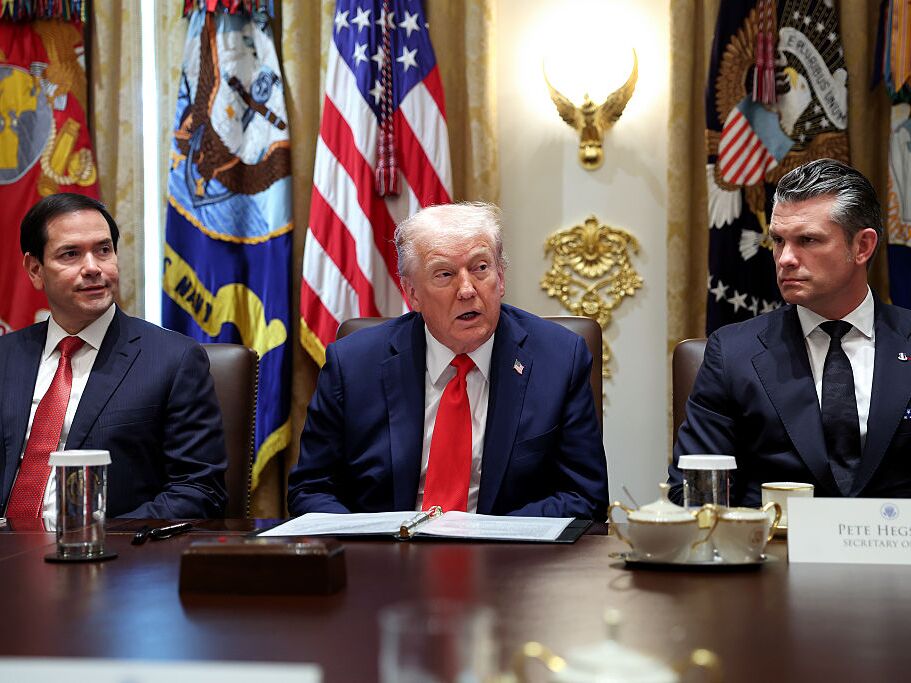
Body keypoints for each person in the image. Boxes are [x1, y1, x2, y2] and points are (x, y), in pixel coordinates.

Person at [288, 202, 608, 518]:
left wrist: (492, 539)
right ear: (413, 293)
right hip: (386, 560)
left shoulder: (559, 359)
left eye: (481, 268)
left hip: (509, 562)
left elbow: (585, 495)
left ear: (501, 276)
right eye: (445, 274)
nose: (467, 289)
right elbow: (311, 489)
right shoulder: (354, 364)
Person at [669, 159, 911, 505]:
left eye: (808, 240)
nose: (785, 259)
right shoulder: (733, 353)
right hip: (774, 550)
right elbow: (693, 492)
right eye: (779, 241)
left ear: (862, 247)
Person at [0, 193, 227, 519]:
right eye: (71, 254)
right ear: (35, 269)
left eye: (103, 250)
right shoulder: (6, 356)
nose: (92, 268)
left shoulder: (172, 360)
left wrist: (96, 540)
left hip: (109, 558)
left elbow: (199, 491)